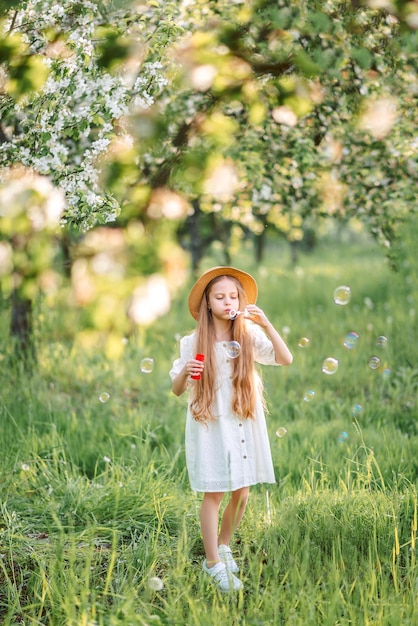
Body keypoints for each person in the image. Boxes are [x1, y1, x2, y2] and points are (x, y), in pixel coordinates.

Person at [169, 266, 293, 593]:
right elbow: (177, 388)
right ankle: (211, 563)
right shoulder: (193, 341)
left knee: (243, 490)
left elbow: (285, 358)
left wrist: (265, 324)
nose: (227, 301)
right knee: (216, 491)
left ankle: (224, 546)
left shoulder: (248, 336)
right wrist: (186, 371)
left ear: (240, 301)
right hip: (211, 420)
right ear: (207, 304)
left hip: (243, 416)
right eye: (219, 296)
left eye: (233, 296)